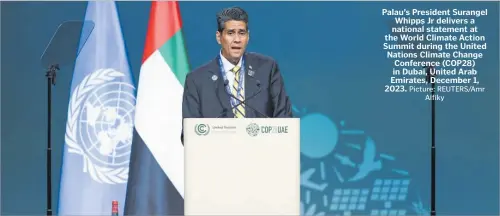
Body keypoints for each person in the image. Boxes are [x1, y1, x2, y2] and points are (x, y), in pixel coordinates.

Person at [182, 6, 293, 122]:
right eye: (230, 33)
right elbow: (190, 133)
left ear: (248, 36)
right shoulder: (197, 80)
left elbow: (284, 119)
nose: (237, 39)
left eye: (242, 33)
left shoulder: (267, 69)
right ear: (219, 37)